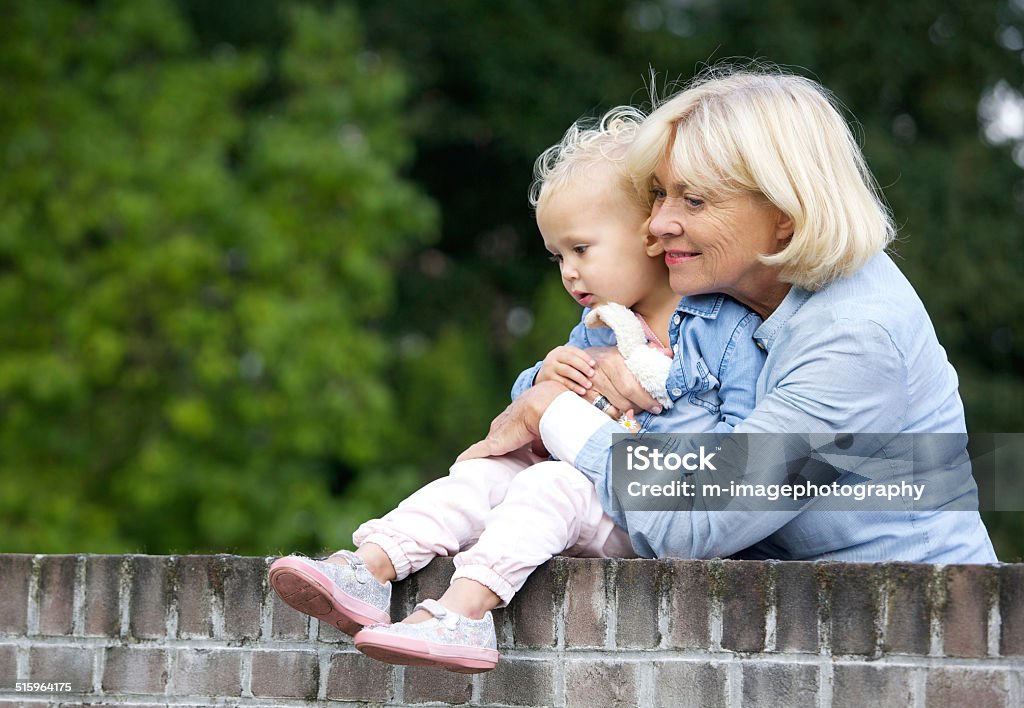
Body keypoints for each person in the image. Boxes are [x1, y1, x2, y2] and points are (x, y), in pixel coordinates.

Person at [267, 108, 766, 673]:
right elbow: (534, 401)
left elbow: (743, 448)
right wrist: (541, 378)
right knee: (484, 474)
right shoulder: (600, 323)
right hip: (588, 495)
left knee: (550, 479)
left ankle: (466, 612)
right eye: (558, 257)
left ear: (648, 236)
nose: (569, 273)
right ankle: (370, 568)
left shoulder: (724, 326)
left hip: (652, 514)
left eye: (582, 249)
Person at [458, 65, 997, 564]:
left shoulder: (857, 337)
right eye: (659, 194)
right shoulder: (725, 286)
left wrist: (555, 414)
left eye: (693, 201)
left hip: (916, 636)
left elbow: (692, 519)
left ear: (784, 215)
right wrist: (561, 382)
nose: (659, 223)